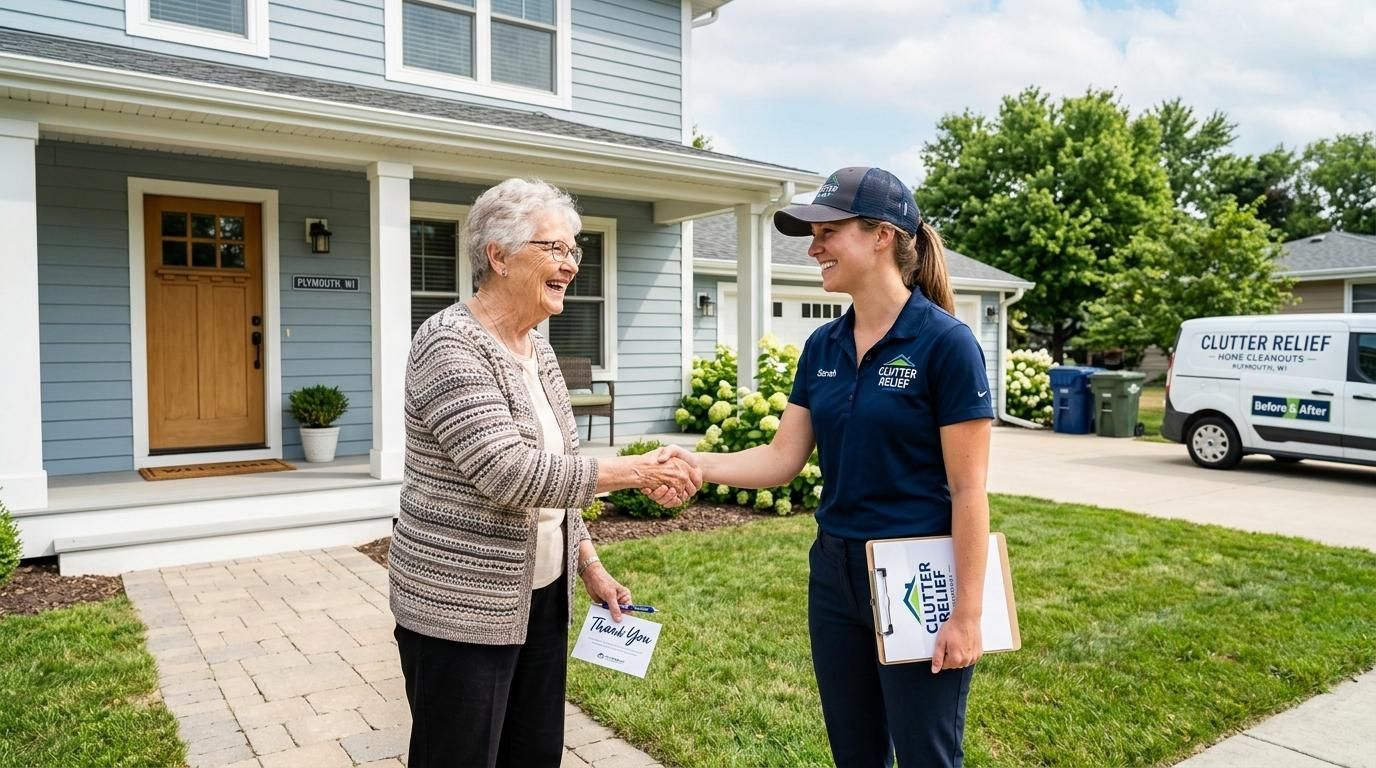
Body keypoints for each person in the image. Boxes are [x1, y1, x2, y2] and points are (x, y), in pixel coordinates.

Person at [657, 167, 993, 767]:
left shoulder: (946, 343)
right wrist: (696, 462)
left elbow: (969, 490)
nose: (814, 248)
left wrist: (967, 614)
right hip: (835, 574)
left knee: (927, 755)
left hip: (916, 574)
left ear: (882, 235)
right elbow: (781, 458)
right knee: (854, 754)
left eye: (828, 232)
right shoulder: (823, 346)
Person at [390, 178, 701, 768]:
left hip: (541, 598)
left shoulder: (540, 350)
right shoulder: (449, 343)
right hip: (460, 605)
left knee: (534, 754)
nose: (571, 264)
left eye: (573, 249)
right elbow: (509, 472)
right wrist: (637, 472)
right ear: (499, 256)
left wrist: (591, 567)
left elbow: (559, 481)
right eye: (554, 248)